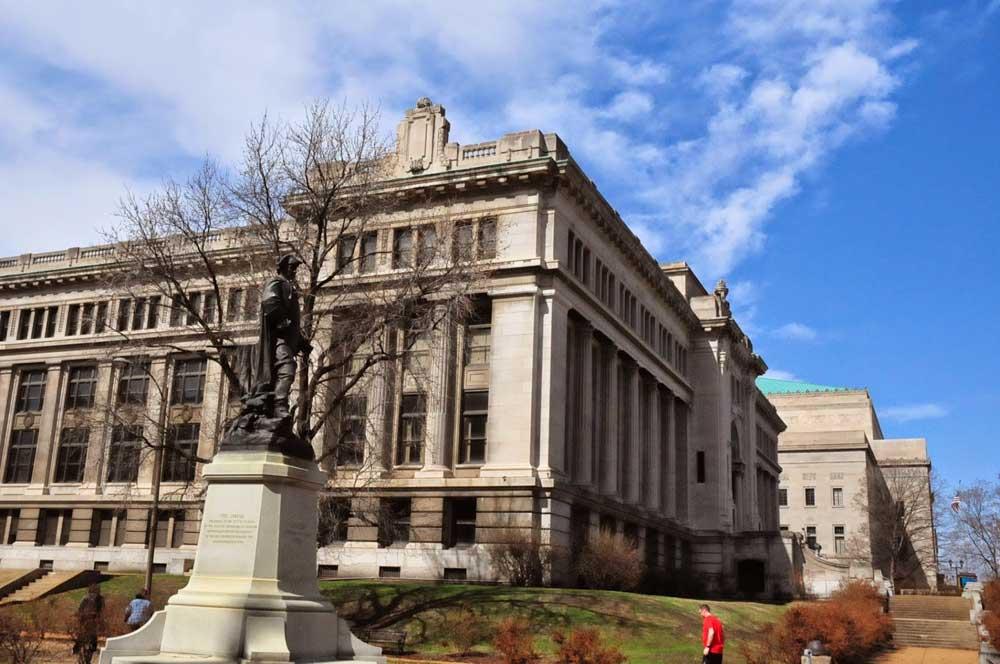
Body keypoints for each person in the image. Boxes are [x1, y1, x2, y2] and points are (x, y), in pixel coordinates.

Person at [254, 254, 312, 419]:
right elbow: (269, 302)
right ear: (283, 267)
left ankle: (275, 405)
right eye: (291, 267)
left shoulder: (289, 288)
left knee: (284, 371)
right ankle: (279, 406)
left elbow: (292, 323)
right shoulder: (277, 283)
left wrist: (301, 342)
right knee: (287, 368)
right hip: (278, 339)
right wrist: (281, 321)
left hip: (286, 339)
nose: (294, 270)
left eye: (295, 267)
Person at [73, 584, 104, 664]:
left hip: (85, 618)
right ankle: (90, 650)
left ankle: (77, 648)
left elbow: (80, 608)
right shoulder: (100, 598)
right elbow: (102, 610)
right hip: (93, 619)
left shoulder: (85, 597)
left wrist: (79, 616)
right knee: (93, 635)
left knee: (81, 634)